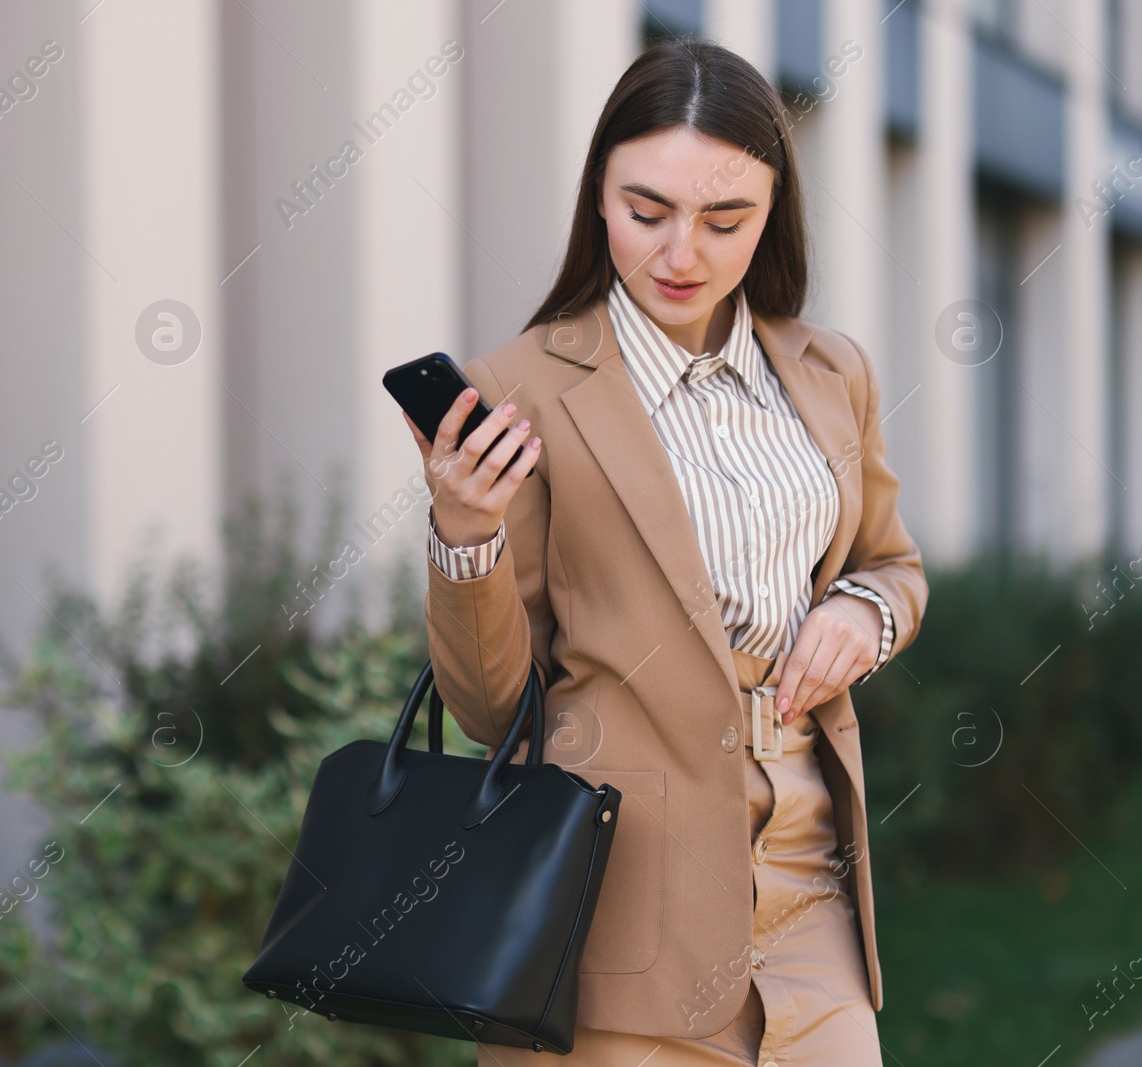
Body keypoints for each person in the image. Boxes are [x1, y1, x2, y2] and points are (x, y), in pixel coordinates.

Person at [402, 36, 927, 1066]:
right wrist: (464, 535)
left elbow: (893, 565)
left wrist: (859, 613)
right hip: (612, 917)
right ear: (598, 201)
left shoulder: (831, 374)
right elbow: (490, 707)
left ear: (772, 212)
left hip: (809, 893)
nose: (680, 253)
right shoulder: (521, 391)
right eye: (646, 212)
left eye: (724, 219)